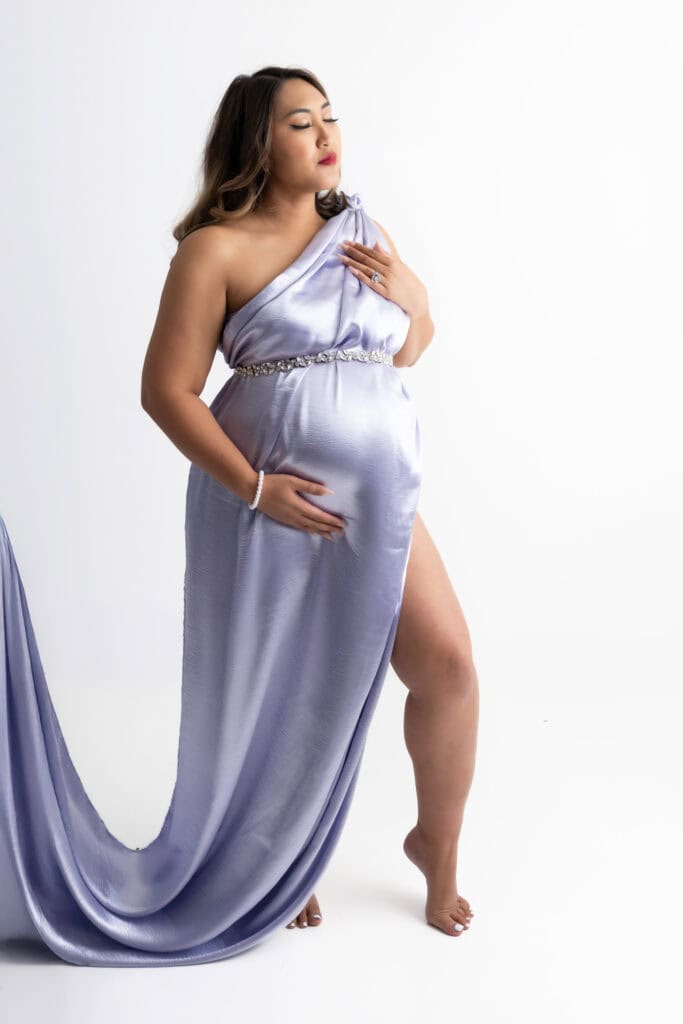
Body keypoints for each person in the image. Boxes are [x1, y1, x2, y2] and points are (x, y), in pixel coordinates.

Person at [0, 65, 478, 966]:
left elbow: (399, 353)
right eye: (302, 122)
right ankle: (275, 866)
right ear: (258, 141)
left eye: (330, 117)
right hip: (266, 502)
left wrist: (416, 303)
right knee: (283, 693)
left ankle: (437, 853)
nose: (327, 134)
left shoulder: (363, 230)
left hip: (380, 500)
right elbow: (165, 391)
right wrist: (255, 488)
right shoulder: (213, 250)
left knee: (447, 664)